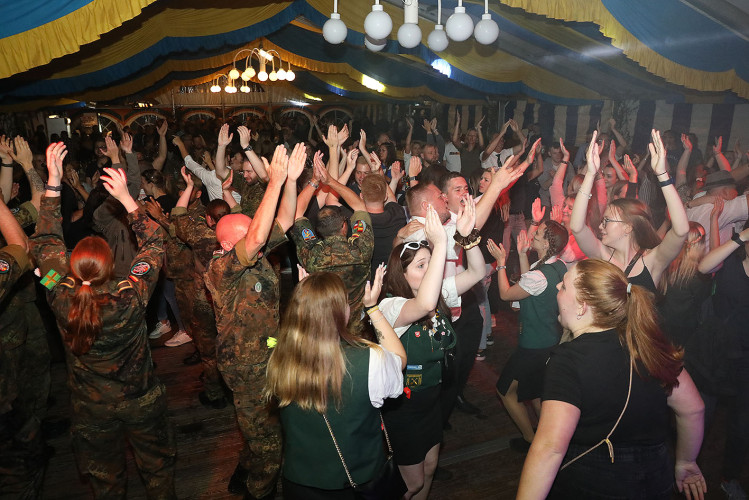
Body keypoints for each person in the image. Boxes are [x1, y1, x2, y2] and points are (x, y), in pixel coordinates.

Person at [30, 143, 176, 499]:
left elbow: (45, 242)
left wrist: (53, 183)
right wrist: (128, 199)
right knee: (157, 468)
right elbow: (155, 240)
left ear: (72, 268)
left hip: (90, 406)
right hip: (140, 398)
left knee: (105, 479)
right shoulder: (130, 292)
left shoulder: (59, 294)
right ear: (110, 266)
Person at [516, 259, 706, 500]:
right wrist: (686, 462)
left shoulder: (567, 361)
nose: (556, 289)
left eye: (563, 286)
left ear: (582, 306)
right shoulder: (647, 346)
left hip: (594, 483)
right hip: (656, 478)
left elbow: (550, 449)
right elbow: (693, 409)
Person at [203, 143, 305, 500]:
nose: (258, 240)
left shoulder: (252, 250)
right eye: (249, 236)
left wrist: (291, 181)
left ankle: (245, 467)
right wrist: (273, 182)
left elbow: (285, 222)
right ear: (231, 244)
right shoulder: (220, 269)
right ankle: (257, 490)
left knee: (259, 427)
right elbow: (259, 234)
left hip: (267, 352)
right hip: (245, 367)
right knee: (269, 446)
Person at [265, 268, 406, 499]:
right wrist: (373, 309)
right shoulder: (369, 361)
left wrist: (310, 301)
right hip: (357, 486)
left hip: (300, 486)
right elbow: (400, 360)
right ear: (342, 313)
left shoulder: (278, 357)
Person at [378, 200, 485, 500]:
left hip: (431, 400)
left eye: (430, 263)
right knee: (409, 484)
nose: (430, 270)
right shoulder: (391, 307)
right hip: (404, 408)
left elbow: (477, 271)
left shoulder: (438, 295)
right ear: (403, 272)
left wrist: (467, 236)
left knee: (430, 468)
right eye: (421, 265)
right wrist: (439, 246)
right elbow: (422, 305)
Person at [569, 129, 689, 292]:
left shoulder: (653, 260)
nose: (600, 227)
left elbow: (681, 231)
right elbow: (577, 227)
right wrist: (590, 174)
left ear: (628, 226)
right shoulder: (602, 256)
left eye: (607, 221)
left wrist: (662, 174)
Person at [487, 221, 568, 451]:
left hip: (533, 346)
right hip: (549, 340)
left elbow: (505, 294)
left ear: (546, 243)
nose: (533, 234)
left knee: (505, 391)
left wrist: (501, 264)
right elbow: (529, 282)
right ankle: (549, 440)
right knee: (536, 393)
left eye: (538, 233)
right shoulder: (558, 266)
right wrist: (522, 255)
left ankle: (531, 440)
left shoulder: (540, 275)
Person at [697, 221, 749, 498]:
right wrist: (739, 238)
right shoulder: (729, 263)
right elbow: (704, 266)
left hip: (745, 360)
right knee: (701, 418)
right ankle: (688, 468)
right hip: (714, 356)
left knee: (742, 424)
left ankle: (730, 478)